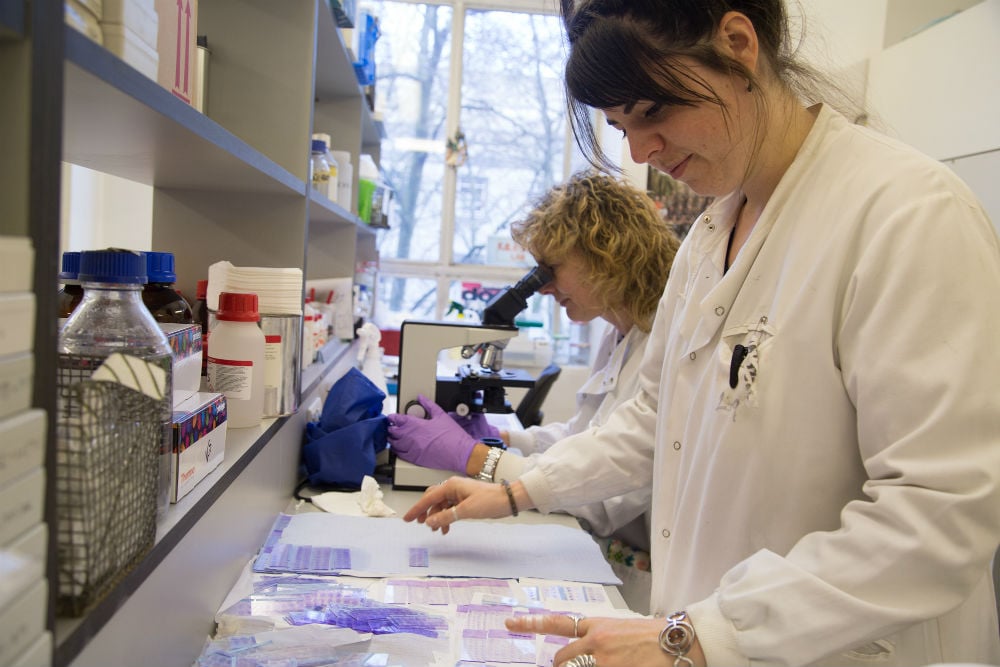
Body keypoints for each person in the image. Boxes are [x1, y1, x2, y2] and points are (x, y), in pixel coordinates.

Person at [402, 1, 1000, 666]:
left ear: (738, 44)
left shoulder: (907, 215)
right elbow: (654, 420)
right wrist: (515, 491)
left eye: (652, 112)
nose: (641, 151)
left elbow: (938, 516)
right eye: (620, 126)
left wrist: (704, 633)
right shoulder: (710, 237)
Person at [388, 171, 680, 612]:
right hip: (593, 555)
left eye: (553, 269)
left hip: (638, 587)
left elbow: (603, 496)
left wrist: (477, 459)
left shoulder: (668, 339)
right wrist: (506, 440)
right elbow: (585, 437)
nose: (543, 287)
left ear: (606, 255)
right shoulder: (620, 333)